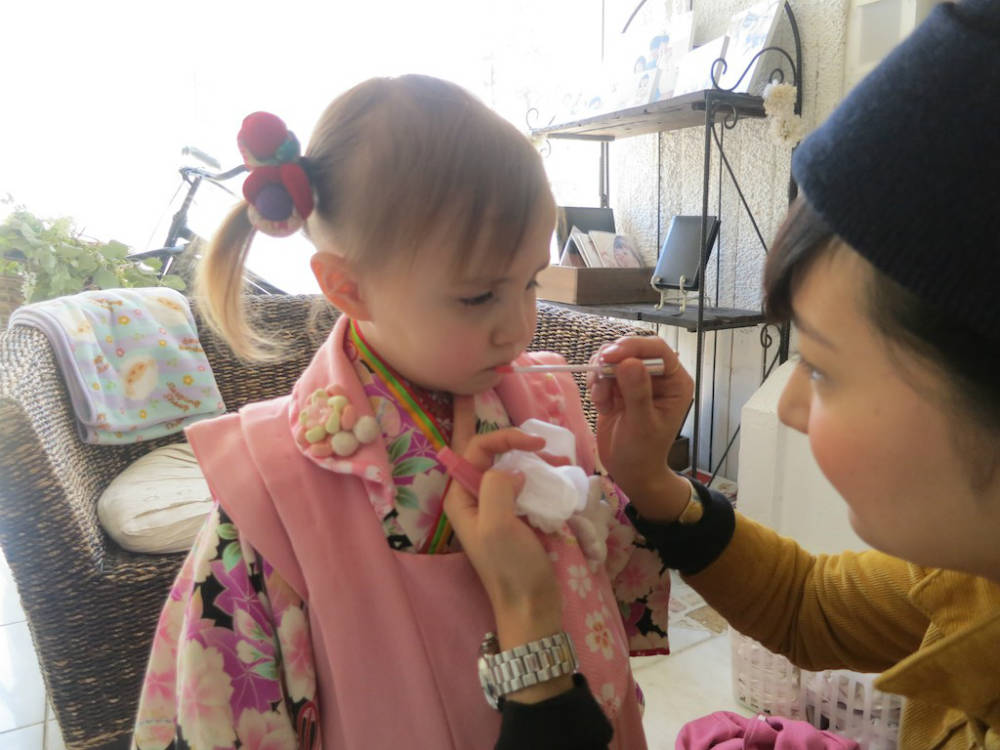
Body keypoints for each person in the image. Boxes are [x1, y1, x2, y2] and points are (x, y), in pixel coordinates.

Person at [443, 0, 1000, 747]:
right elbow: (808, 604)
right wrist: (651, 482)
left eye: (822, 368)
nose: (790, 406)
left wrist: (530, 628)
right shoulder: (971, 583)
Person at [131, 74, 672, 750]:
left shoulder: (550, 399)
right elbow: (224, 713)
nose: (519, 327)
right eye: (478, 297)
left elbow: (608, 578)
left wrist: (638, 473)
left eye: (531, 281)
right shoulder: (272, 492)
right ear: (346, 286)